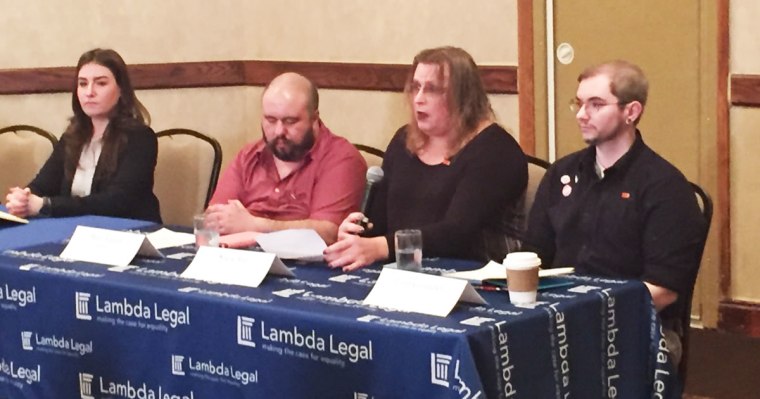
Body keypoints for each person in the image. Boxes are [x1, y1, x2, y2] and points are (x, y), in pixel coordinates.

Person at [525, 60, 706, 365]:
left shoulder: (664, 187)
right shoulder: (562, 174)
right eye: (579, 103)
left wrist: (587, 315)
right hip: (558, 314)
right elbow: (532, 255)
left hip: (632, 322)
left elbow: (664, 289)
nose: (582, 115)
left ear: (631, 112)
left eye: (596, 105)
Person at [323, 46, 528, 272]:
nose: (418, 99)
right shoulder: (403, 142)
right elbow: (379, 224)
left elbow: (457, 232)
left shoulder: (496, 151)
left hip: (477, 279)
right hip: (403, 274)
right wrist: (357, 236)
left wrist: (380, 247)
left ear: (463, 97)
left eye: (432, 90)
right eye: (416, 87)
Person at [206, 72, 366, 244]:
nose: (278, 131)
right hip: (242, 256)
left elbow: (328, 233)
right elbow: (214, 219)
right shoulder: (249, 155)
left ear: (314, 118)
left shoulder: (341, 158)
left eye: (290, 121)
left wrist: (255, 225)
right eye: (271, 120)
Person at [4, 48, 161, 222]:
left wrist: (46, 205)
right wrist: (25, 197)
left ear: (121, 90)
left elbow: (117, 201)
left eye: (101, 83)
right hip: (76, 230)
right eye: (83, 83)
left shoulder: (141, 138)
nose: (89, 92)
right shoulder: (72, 136)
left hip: (128, 233)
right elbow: (43, 184)